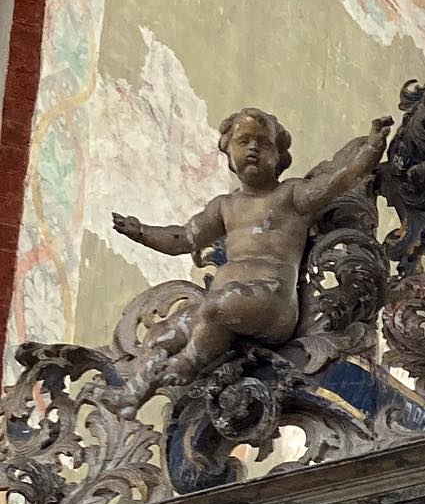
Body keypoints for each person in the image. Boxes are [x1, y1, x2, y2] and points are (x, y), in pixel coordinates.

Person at [110, 106, 391, 412]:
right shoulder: (224, 206)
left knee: (218, 307)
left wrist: (372, 147)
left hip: (271, 304)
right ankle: (135, 393)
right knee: (160, 335)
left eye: (264, 143)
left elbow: (340, 180)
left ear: (278, 156)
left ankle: (188, 363)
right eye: (243, 141)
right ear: (228, 153)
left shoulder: (290, 195)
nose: (253, 148)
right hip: (223, 304)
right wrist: (142, 232)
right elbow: (183, 237)